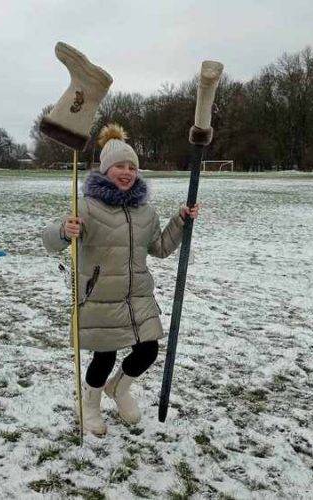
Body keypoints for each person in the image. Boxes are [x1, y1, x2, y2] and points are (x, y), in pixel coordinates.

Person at [42, 123, 200, 435]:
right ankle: (89, 404)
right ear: (105, 169)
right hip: (101, 295)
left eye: (132, 167)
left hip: (137, 296)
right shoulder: (86, 207)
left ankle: (119, 388)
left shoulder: (145, 212)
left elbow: (160, 247)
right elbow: (49, 241)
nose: (126, 172)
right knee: (104, 356)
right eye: (119, 166)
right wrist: (63, 231)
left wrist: (180, 222)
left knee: (148, 350)